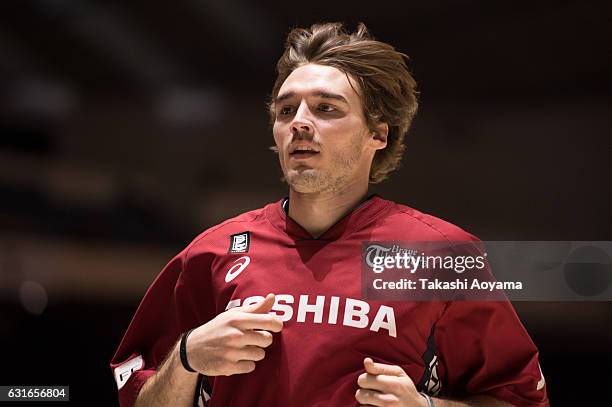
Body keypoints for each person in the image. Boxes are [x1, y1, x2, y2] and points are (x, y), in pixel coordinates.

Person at [111, 22, 549, 407]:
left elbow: (519, 400)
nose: (299, 122)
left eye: (326, 108)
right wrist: (187, 358)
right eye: (286, 110)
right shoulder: (210, 252)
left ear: (378, 133)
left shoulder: (441, 254)